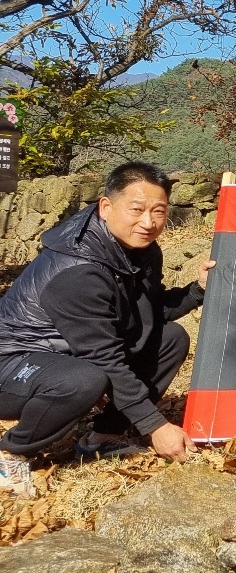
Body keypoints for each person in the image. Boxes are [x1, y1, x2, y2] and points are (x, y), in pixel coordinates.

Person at [0, 163, 215, 497]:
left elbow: (149, 311)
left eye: (158, 211)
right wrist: (155, 425)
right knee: (84, 378)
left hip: (69, 353)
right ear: (105, 207)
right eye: (137, 210)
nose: (148, 222)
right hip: (14, 362)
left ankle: (102, 438)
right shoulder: (76, 270)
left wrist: (196, 290)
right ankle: (12, 452)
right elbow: (104, 358)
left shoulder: (139, 250)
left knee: (171, 339)